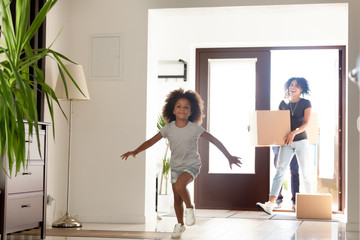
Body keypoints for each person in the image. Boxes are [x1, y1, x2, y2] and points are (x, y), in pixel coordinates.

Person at [121, 88, 242, 239]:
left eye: (186, 107)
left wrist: (229, 156)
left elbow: (214, 140)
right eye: (179, 106)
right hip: (175, 167)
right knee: (177, 200)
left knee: (180, 185)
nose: (182, 109)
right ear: (173, 109)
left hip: (191, 165)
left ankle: (190, 208)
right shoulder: (168, 129)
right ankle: (180, 225)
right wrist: (135, 151)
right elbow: (151, 141)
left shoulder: (195, 129)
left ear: (191, 112)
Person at [257, 77, 312, 215]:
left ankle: (312, 205)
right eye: (291, 85)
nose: (293, 87)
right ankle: (270, 204)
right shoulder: (283, 103)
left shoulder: (306, 103)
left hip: (301, 142)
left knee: (306, 173)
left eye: (297, 86)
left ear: (302, 89)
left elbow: (306, 123)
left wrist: (293, 133)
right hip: (285, 144)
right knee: (279, 172)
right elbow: (276, 122)